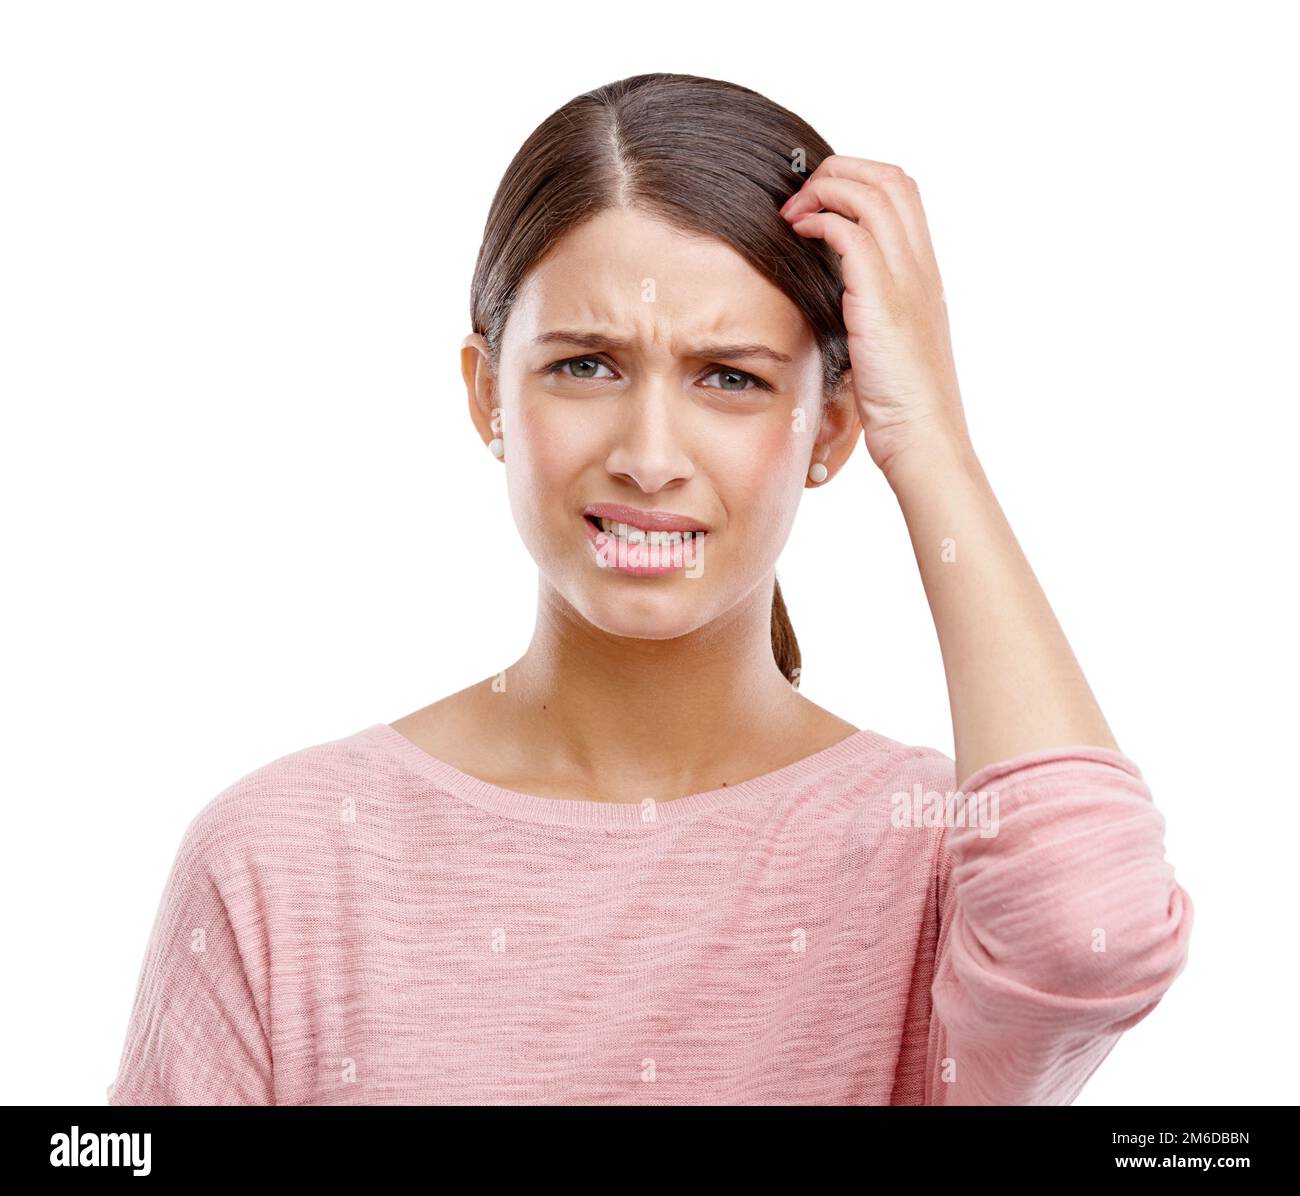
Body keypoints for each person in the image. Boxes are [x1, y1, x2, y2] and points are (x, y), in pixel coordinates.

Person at [107, 72, 1193, 1106]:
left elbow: (1087, 926)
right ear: (488, 394)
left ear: (831, 426)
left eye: (731, 378)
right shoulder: (279, 862)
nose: (649, 453)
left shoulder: (932, 859)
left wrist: (935, 442)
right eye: (586, 363)